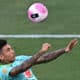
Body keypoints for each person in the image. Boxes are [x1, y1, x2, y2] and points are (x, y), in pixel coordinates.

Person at [0, 39, 78, 80]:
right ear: (1, 57)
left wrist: (64, 50)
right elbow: (22, 68)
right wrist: (40, 52)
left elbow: (45, 58)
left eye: (11, 48)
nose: (12, 51)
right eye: (8, 50)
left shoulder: (20, 58)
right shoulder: (2, 70)